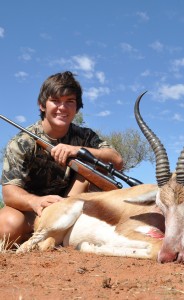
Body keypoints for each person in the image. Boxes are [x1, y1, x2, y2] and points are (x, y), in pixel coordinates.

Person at [0, 71, 123, 246]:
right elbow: (10, 193)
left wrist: (77, 150)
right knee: (8, 226)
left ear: (77, 107)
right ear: (42, 105)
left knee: (91, 173)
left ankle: (59, 233)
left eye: (69, 102)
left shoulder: (85, 137)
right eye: (55, 101)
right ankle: (48, 236)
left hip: (72, 208)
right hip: (35, 210)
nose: (62, 108)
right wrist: (36, 201)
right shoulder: (21, 142)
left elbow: (116, 160)